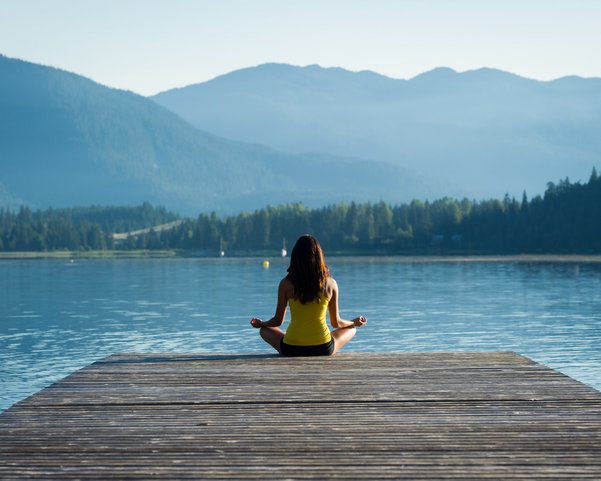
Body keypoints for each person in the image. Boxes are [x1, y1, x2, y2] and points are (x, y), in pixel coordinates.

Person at [250, 234, 366, 356]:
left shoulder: (285, 284)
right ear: (319, 256)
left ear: (295, 257)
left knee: (264, 330)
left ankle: (295, 338)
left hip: (291, 349)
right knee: (351, 329)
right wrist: (354, 322)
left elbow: (277, 321)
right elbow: (336, 323)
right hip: (323, 348)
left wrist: (261, 324)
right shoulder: (331, 283)